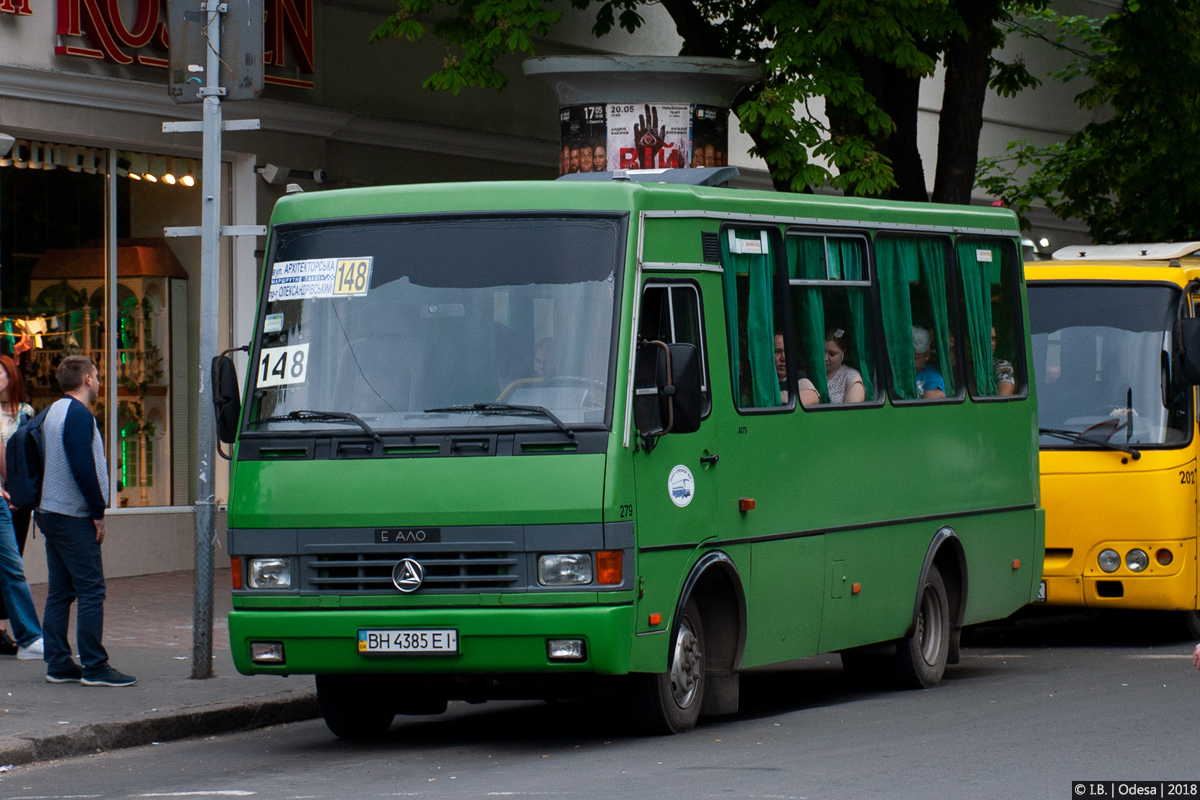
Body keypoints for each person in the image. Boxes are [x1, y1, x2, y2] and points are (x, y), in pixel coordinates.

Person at [37, 355, 135, 687]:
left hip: (50, 511)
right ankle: (94, 665)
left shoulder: (51, 412)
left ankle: (58, 663)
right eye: (97, 375)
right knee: (92, 589)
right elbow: (82, 466)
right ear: (88, 380)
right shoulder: (79, 414)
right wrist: (98, 511)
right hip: (71, 514)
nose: (99, 381)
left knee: (61, 590)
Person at [0, 354, 35, 655]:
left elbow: (30, 456)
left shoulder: (25, 412)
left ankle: (6, 627)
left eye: (2, 373)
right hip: (1, 493)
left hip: (18, 496)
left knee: (14, 561)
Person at [774, 334, 819, 406]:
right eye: (777, 351)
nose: (783, 358)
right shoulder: (758, 383)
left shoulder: (800, 382)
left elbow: (812, 399)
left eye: (788, 351)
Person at [823, 328, 865, 404]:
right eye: (822, 352)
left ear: (843, 353)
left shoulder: (851, 376)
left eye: (832, 354)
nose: (825, 358)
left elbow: (853, 410)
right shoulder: (806, 374)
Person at [913, 326, 946, 400]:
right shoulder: (897, 375)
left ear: (926, 356)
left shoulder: (933, 376)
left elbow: (930, 407)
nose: (910, 362)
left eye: (915, 358)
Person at [992, 326, 1016, 396]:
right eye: (986, 339)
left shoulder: (1001, 365)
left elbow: (1004, 397)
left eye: (993, 339)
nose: (991, 344)